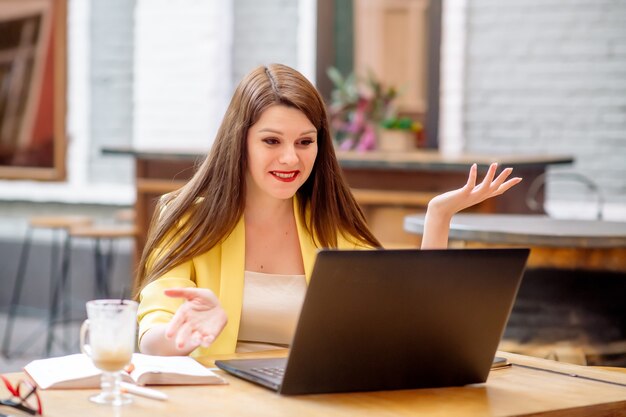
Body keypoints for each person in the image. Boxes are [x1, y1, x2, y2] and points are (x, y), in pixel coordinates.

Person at [136, 63, 522, 357]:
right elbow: (151, 335)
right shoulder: (189, 218)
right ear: (240, 142)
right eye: (272, 140)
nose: (291, 158)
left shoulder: (331, 224)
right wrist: (182, 338)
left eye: (305, 141)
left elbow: (411, 327)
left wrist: (437, 219)